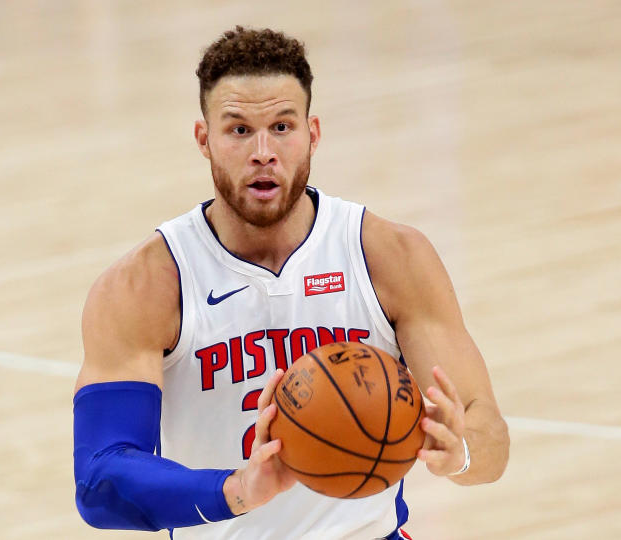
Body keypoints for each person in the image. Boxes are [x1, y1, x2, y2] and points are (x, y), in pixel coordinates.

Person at [73, 26, 509, 539]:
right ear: (203, 139)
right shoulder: (147, 284)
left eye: (282, 126)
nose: (263, 151)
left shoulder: (390, 257)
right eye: (239, 130)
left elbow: (490, 436)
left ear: (313, 133)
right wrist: (236, 490)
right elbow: (101, 478)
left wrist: (461, 453)